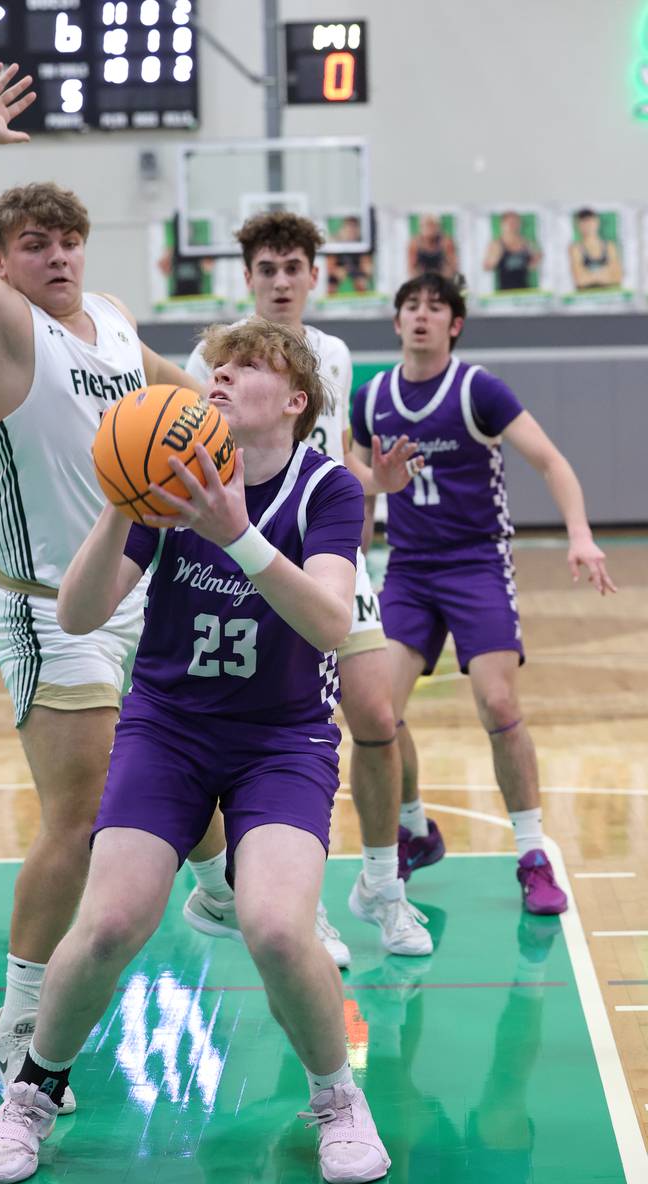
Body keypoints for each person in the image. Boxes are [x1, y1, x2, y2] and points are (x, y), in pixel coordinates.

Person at [0, 316, 391, 1184]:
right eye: (218, 365)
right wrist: (120, 507)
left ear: (297, 400)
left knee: (277, 927)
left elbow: (329, 620)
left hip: (282, 737)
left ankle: (339, 1100)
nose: (222, 376)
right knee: (113, 920)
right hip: (168, 727)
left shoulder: (328, 489)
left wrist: (237, 532)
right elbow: (82, 615)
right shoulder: (162, 482)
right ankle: (32, 1092)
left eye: (248, 366)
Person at [0, 63, 207, 1115]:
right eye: (33, 244)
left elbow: (170, 388)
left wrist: (236, 410)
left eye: (67, 239)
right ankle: (18, 1021)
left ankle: (212, 881)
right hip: (38, 607)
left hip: (137, 598)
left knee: (186, 789)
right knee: (82, 815)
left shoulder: (106, 316)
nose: (56, 254)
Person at [183, 211, 433, 964]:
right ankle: (298, 906)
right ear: (249, 277)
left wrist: (374, 486)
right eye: (267, 269)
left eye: (294, 267)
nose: (281, 281)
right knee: (284, 733)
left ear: (314, 276)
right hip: (243, 563)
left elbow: (335, 459)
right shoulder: (213, 359)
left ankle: (383, 886)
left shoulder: (333, 353)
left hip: (327, 560)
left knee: (378, 716)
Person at [350, 272, 616, 915]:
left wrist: (579, 534)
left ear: (454, 324)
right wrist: (351, 560)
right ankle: (415, 828)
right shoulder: (370, 397)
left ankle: (532, 854)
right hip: (408, 568)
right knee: (379, 712)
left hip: (476, 563)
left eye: (434, 308)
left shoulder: (478, 390)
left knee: (497, 704)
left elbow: (551, 461)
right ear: (396, 322)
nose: (421, 316)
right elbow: (357, 486)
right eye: (410, 306)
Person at [482, 211, 541, 291]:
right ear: (502, 224)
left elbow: (532, 267)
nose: (513, 225)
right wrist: (496, 257)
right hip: (504, 292)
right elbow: (486, 268)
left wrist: (537, 258)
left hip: (525, 290)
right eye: (510, 223)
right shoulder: (496, 245)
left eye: (516, 222)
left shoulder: (526, 243)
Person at [569, 208, 623, 290]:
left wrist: (589, 275)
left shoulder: (610, 246)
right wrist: (605, 273)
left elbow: (617, 277)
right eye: (584, 223)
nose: (588, 226)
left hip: (611, 296)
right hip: (585, 298)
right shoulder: (575, 249)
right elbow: (580, 280)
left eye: (590, 221)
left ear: (597, 222)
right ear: (578, 225)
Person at [406, 213, 458, 279]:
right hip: (422, 278)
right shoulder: (414, 243)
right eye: (427, 226)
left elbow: (453, 266)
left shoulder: (446, 242)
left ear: (438, 227)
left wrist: (442, 280)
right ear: (421, 227)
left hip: (442, 277)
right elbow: (411, 269)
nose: (430, 229)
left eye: (432, 226)